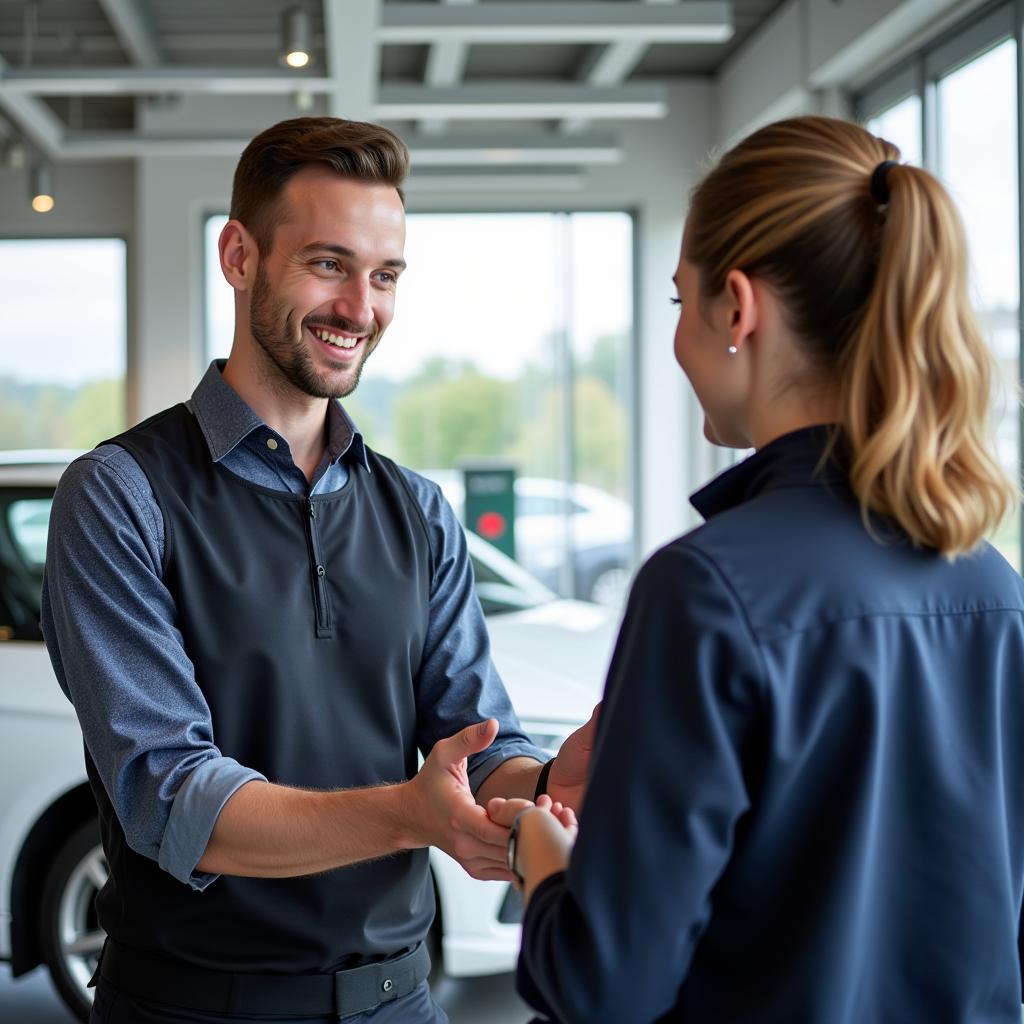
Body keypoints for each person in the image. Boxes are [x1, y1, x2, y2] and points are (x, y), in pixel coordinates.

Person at [40, 116, 593, 1024]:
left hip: (399, 1001)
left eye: (384, 276)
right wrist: (414, 816)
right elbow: (175, 799)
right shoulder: (120, 495)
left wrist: (545, 784)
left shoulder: (417, 511)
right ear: (239, 255)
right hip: (193, 1009)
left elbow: (477, 740)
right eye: (328, 264)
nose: (359, 309)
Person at [488, 115, 1024, 1023]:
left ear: (737, 309)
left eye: (676, 302)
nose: (676, 335)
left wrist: (539, 854)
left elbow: (602, 986)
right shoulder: (993, 588)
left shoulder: (706, 589)